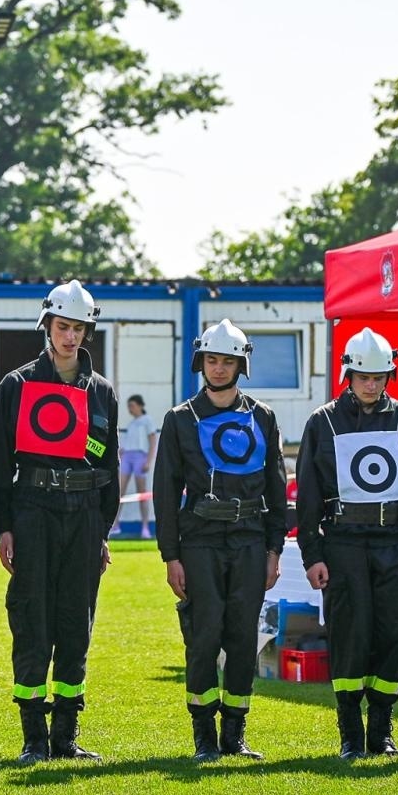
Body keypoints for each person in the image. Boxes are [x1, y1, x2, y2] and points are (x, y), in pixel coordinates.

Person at [295, 327, 398, 758]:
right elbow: (306, 496)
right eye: (364, 377)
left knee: (390, 635)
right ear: (348, 375)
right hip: (343, 543)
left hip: (394, 540)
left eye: (379, 377)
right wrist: (312, 554)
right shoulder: (323, 422)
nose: (372, 385)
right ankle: (349, 734)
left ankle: (382, 731)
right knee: (348, 635)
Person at [0, 279, 120, 763]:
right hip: (32, 512)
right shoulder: (18, 385)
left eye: (79, 329)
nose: (70, 337)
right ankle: (33, 739)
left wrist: (101, 531)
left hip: (84, 517)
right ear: (47, 326)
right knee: (31, 619)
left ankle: (65, 736)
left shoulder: (101, 391)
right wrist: (4, 526)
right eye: (63, 326)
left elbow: (106, 463)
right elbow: (0, 461)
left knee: (75, 623)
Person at [154, 320, 287, 761]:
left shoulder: (263, 418)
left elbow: (275, 485)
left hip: (250, 540)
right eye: (212, 359)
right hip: (200, 541)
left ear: (240, 364)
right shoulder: (179, 420)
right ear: (201, 362)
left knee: (242, 639)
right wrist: (171, 556)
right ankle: (204, 739)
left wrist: (274, 551)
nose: (218, 368)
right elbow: (166, 491)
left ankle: (235, 735)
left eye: (227, 360)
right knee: (204, 636)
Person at [117, 395, 158, 538]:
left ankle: (145, 527)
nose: (130, 409)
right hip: (127, 457)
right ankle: (115, 525)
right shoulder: (132, 423)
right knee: (119, 491)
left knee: (142, 494)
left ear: (140, 405)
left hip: (140, 457)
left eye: (132, 405)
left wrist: (148, 461)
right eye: (129, 406)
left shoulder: (147, 421)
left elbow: (153, 442)